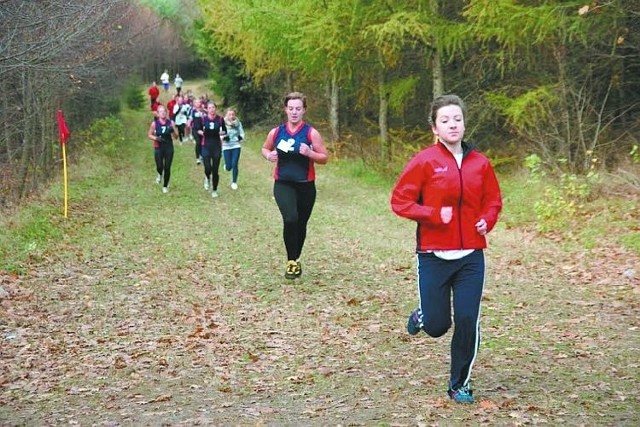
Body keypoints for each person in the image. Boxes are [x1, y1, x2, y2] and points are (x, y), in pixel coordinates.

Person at [390, 94, 503, 404]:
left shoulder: (480, 162)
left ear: (464, 123)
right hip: (433, 256)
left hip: (471, 258)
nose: (453, 124)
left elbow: (493, 200)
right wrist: (432, 214)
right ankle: (425, 313)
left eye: (458, 119)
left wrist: (487, 220)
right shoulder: (424, 161)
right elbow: (399, 201)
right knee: (439, 326)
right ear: (435, 128)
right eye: (445, 120)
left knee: (467, 320)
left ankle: (459, 383)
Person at [261, 92, 329, 279]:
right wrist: (269, 155)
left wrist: (310, 153)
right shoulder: (276, 132)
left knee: (300, 223)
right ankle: (291, 261)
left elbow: (324, 157)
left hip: (306, 185)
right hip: (283, 183)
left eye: (298, 109)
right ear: (285, 109)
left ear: (304, 110)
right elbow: (265, 147)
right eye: (291, 108)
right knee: (290, 218)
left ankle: (296, 258)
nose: (294, 112)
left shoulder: (311, 133)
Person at [197, 101, 226, 198]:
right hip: (206, 145)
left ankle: (214, 189)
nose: (212, 109)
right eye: (209, 108)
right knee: (207, 167)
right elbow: (198, 129)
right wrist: (204, 133)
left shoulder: (220, 119)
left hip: (216, 145)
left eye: (213, 107)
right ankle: (207, 177)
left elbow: (224, 131)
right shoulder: (203, 119)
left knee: (215, 169)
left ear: (215, 108)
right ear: (207, 109)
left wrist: (220, 133)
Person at [147, 105, 178, 194]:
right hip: (158, 147)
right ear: (158, 113)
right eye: (161, 111)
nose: (163, 113)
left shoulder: (170, 122)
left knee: (167, 167)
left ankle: (165, 185)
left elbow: (176, 137)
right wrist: (156, 138)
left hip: (168, 147)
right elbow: (149, 135)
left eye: (164, 111)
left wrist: (173, 131)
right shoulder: (154, 123)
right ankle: (159, 174)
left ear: (166, 112)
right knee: (159, 166)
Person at [222, 108, 245, 190]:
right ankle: (227, 166)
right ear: (226, 115)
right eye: (229, 114)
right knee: (229, 167)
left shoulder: (238, 123)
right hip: (226, 146)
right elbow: (219, 133)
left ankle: (234, 182)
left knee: (235, 164)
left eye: (233, 114)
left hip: (236, 145)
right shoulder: (222, 123)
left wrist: (240, 137)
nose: (231, 116)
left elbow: (242, 132)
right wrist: (223, 137)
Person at [189, 97, 205, 164]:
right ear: (194, 104)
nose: (198, 104)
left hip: (202, 129)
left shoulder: (203, 111)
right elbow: (190, 119)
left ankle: (201, 155)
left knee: (202, 143)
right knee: (198, 142)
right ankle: (197, 158)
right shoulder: (192, 111)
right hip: (195, 129)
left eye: (199, 102)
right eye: (196, 102)